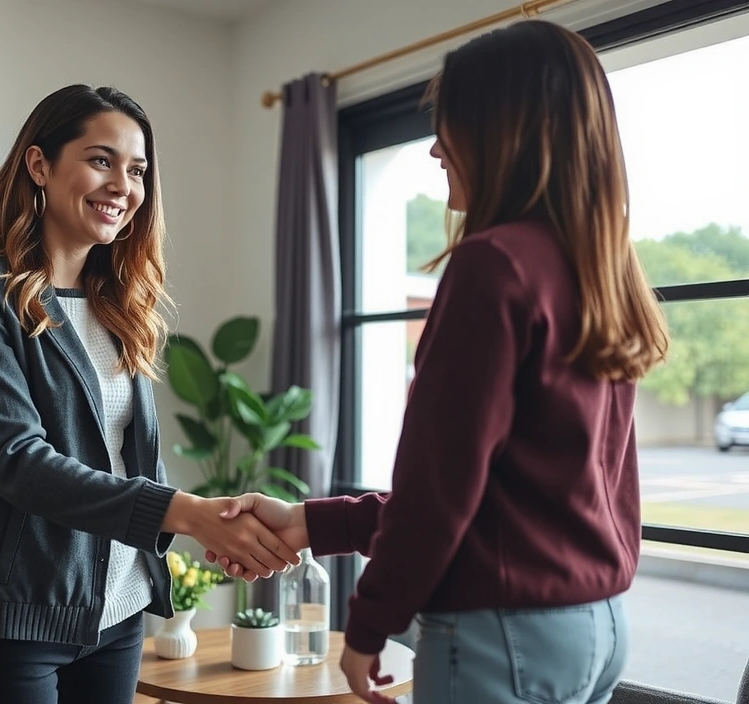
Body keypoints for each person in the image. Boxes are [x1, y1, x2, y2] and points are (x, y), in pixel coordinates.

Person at [208, 20, 669, 704]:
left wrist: (367, 626)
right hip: (593, 629)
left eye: (449, 125)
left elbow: (439, 489)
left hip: (500, 635)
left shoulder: (492, 265)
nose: (434, 149)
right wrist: (309, 522)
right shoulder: (599, 273)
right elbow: (492, 496)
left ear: (501, 131)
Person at [0, 84, 298, 704]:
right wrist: (190, 514)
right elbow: (20, 462)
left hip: (117, 611)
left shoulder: (119, 303)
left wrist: (215, 520)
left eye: (138, 169)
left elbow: (127, 454)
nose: (123, 184)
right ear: (39, 165)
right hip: (7, 622)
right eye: (101, 160)